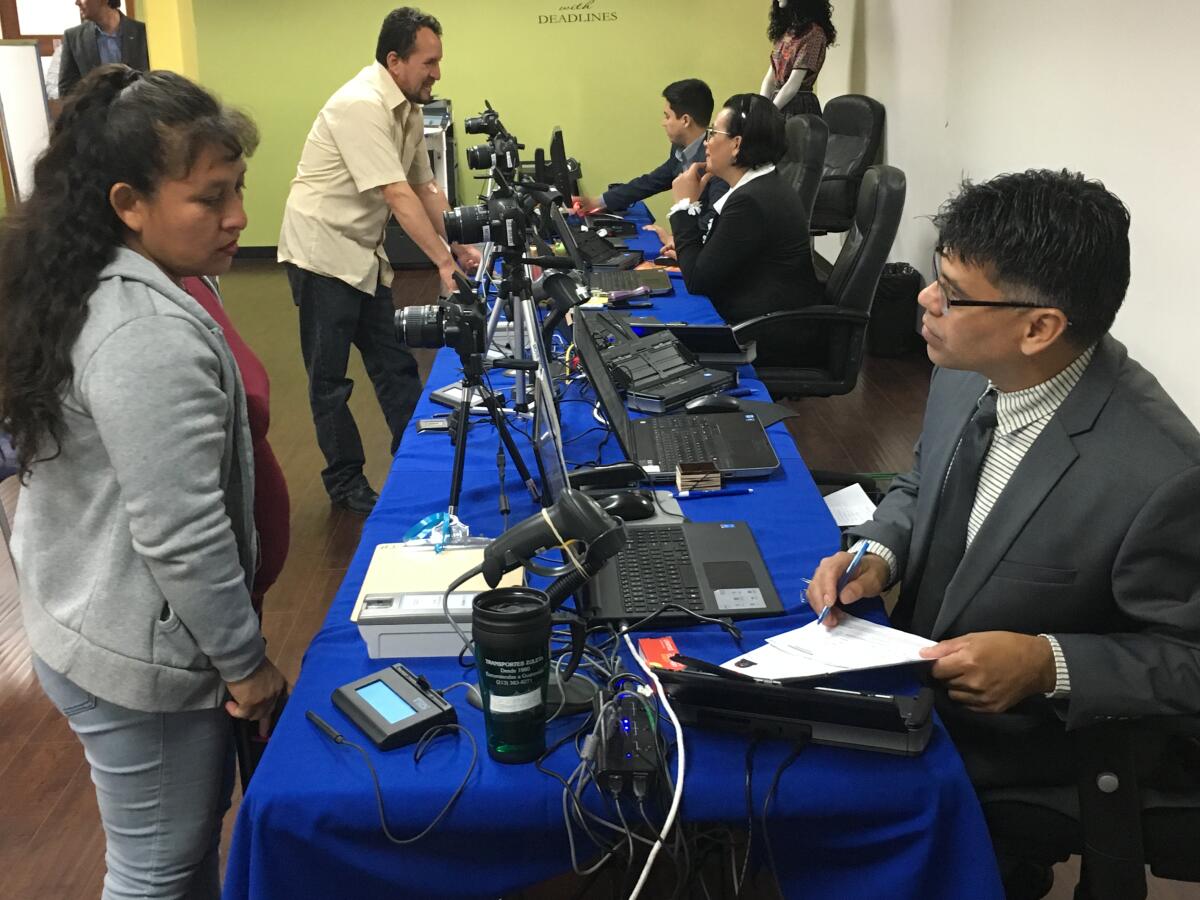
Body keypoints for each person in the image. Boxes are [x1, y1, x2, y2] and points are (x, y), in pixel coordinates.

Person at [805, 169, 1200, 899]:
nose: (926, 299)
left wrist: (1047, 663)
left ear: (1039, 326)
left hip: (1027, 740)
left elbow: (1188, 659)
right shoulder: (970, 365)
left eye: (950, 292)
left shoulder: (1161, 473)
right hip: (913, 675)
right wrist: (879, 555)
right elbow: (922, 483)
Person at [0, 65, 287, 900]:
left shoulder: (113, 283)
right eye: (210, 199)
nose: (238, 217)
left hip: (99, 624)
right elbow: (181, 529)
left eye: (239, 190)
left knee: (183, 854)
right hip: (137, 660)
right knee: (157, 872)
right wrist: (245, 664)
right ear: (129, 204)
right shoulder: (144, 331)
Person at [279, 6, 479, 516]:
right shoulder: (361, 105)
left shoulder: (409, 109)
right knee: (330, 380)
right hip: (322, 253)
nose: (437, 72)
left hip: (364, 253)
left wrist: (457, 241)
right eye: (429, 62)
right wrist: (441, 263)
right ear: (395, 61)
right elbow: (395, 193)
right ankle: (344, 482)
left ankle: (416, 456)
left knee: (393, 361)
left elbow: (424, 186)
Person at [182, 276, 291, 617]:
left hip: (239, 587)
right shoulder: (145, 320)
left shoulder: (189, 281)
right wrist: (238, 655)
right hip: (193, 623)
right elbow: (174, 529)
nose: (237, 220)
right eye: (210, 215)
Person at [668, 92, 821, 324]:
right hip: (760, 312)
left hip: (766, 332)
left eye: (713, 133)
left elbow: (698, 280)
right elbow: (712, 260)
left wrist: (683, 206)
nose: (707, 143)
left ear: (736, 144)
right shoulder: (760, 185)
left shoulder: (751, 201)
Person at [759, 0, 836, 117]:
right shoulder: (788, 32)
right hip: (778, 102)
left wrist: (770, 113)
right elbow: (770, 78)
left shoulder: (814, 33)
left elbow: (793, 84)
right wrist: (762, 108)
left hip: (798, 107)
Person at [59, 0, 149, 97]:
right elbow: (66, 90)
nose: (77, 2)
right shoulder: (73, 37)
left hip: (140, 108)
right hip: (94, 111)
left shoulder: (143, 32)